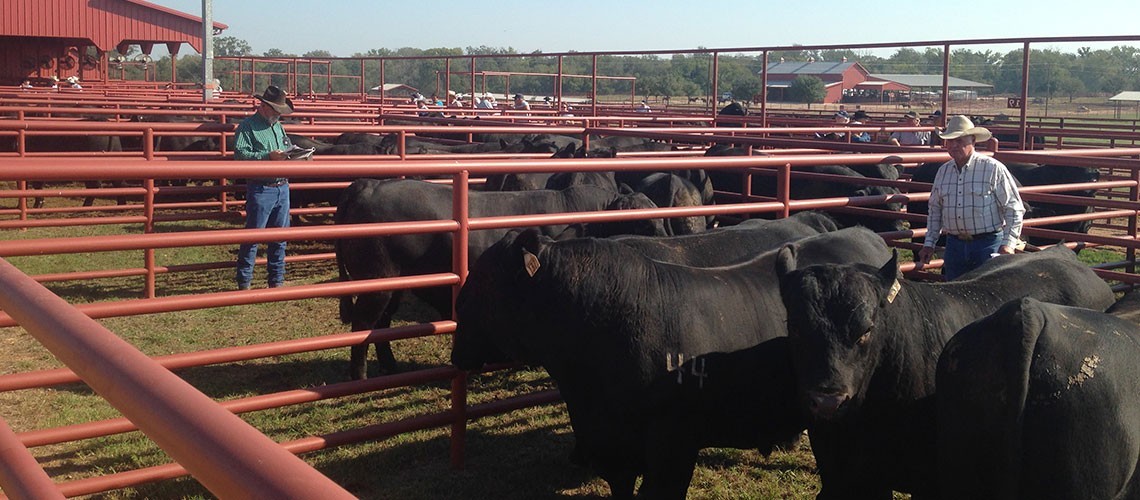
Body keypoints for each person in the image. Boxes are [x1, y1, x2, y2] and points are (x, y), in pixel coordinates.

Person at [917, 115, 1025, 280]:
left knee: (987, 294)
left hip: (987, 243)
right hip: (954, 244)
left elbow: (1014, 208)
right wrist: (929, 243)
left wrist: (1008, 244)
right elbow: (935, 210)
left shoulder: (993, 168)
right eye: (950, 141)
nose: (953, 145)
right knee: (954, 294)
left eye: (959, 140)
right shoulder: (943, 172)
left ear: (973, 141)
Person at [234, 85, 295, 290]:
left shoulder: (277, 126)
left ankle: (276, 280)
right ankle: (244, 281)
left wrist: (293, 155)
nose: (279, 114)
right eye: (276, 110)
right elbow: (241, 156)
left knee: (280, 236)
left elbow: (286, 145)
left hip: (281, 186)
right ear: (265, 106)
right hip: (261, 187)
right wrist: (267, 157)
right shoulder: (247, 127)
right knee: (253, 236)